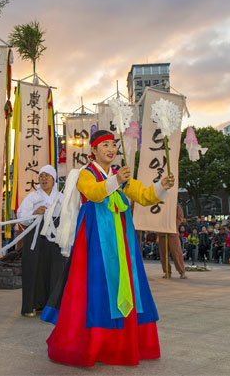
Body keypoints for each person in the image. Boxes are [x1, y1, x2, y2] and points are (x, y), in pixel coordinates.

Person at [41, 130, 175, 367]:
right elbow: (94, 193)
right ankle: (92, 343)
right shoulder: (85, 174)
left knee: (124, 282)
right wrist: (118, 181)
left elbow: (143, 196)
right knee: (96, 285)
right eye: (104, 145)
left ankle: (121, 343)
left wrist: (161, 187)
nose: (111, 149)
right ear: (93, 150)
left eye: (113, 144)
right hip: (94, 239)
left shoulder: (118, 174)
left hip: (121, 240)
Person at [16, 165, 66, 317]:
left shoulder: (61, 197)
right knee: (34, 268)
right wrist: (34, 212)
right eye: (41, 176)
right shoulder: (33, 197)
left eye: (47, 176)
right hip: (36, 235)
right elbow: (21, 214)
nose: (44, 179)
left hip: (55, 236)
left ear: (53, 178)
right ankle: (31, 305)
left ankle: (53, 306)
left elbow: (69, 215)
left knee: (56, 269)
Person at [157, 204, 187, 279]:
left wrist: (172, 225)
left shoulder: (176, 205)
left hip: (172, 232)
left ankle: (182, 271)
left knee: (176, 253)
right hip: (162, 232)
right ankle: (167, 271)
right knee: (163, 254)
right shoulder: (159, 204)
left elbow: (180, 218)